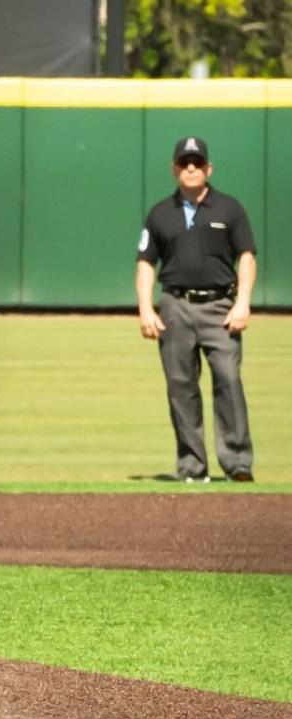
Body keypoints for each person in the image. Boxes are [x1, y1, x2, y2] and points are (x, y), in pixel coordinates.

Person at [135, 135, 257, 483]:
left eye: (198, 162)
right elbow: (146, 262)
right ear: (175, 168)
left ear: (209, 167)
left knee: (229, 381)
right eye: (185, 162)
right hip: (175, 305)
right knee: (180, 386)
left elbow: (246, 256)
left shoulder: (230, 209)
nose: (191, 168)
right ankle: (192, 466)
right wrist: (146, 308)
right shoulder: (160, 213)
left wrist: (243, 302)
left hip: (220, 306)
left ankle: (237, 464)